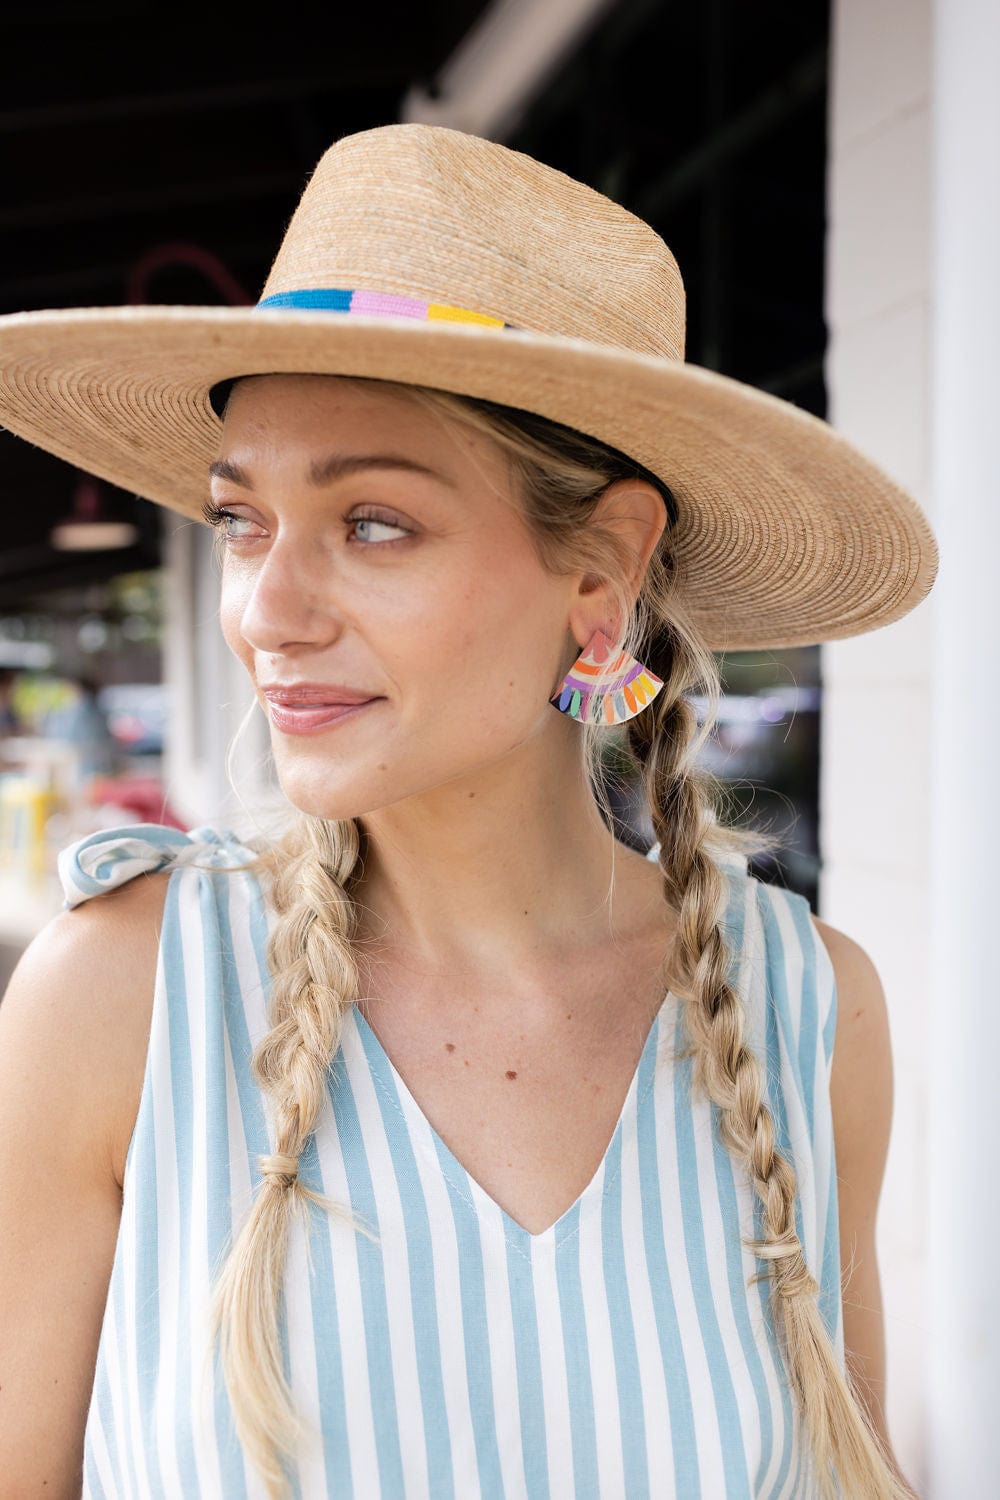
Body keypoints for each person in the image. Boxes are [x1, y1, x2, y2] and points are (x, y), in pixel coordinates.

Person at [0, 123, 936, 1500]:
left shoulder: (803, 1009)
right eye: (240, 520)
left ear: (602, 573)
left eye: (374, 522)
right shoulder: (128, 995)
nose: (267, 611)